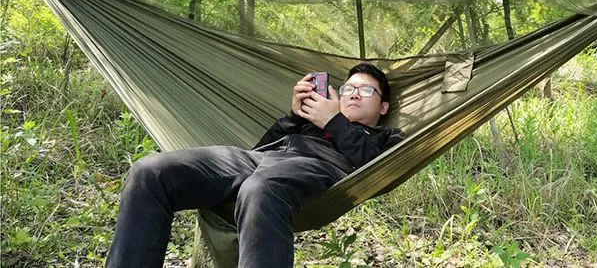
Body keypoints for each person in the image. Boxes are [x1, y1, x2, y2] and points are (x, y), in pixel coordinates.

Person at [105, 63, 404, 268]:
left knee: (260, 189)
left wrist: (333, 122)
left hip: (316, 169)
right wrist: (296, 115)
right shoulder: (312, 121)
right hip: (258, 160)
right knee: (150, 171)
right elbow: (260, 149)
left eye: (366, 91)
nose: (353, 93)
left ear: (384, 107)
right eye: (348, 87)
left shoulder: (387, 137)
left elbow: (375, 165)